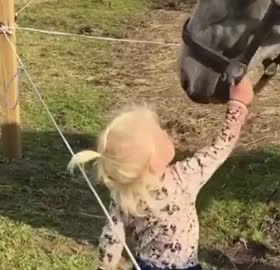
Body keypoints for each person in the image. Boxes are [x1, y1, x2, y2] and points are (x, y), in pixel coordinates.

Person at [68, 77, 254, 270]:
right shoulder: (183, 178)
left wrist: (105, 267)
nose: (167, 132)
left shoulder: (124, 194)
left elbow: (112, 236)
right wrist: (238, 105)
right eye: (161, 133)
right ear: (154, 158)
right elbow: (220, 148)